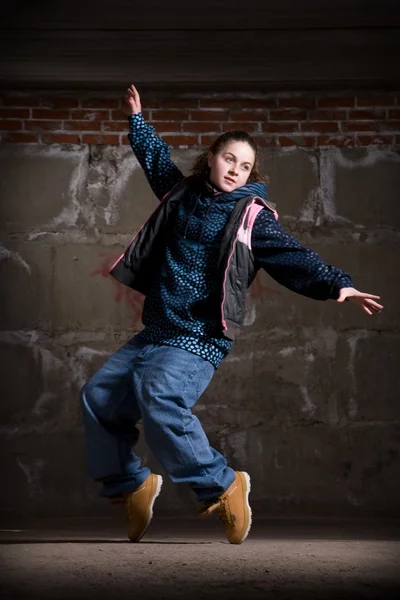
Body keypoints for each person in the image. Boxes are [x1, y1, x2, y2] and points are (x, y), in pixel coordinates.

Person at [80, 84, 383, 545]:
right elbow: (157, 161)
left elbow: (292, 255)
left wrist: (336, 282)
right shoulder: (183, 192)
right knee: (99, 398)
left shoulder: (252, 217)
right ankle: (131, 485)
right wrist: (137, 121)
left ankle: (222, 485)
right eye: (229, 161)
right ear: (211, 160)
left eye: (244, 167)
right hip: (159, 328)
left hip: (199, 334)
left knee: (158, 393)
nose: (235, 171)